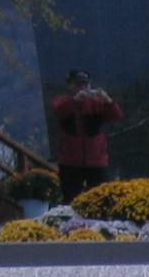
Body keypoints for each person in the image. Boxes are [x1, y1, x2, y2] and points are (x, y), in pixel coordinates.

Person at [50, 70, 124, 201]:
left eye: (85, 85)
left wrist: (108, 100)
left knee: (101, 198)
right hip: (70, 162)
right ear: (69, 85)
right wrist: (75, 101)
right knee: (71, 199)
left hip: (96, 160)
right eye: (78, 84)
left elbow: (117, 116)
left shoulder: (97, 103)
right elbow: (58, 112)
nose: (82, 88)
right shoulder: (62, 101)